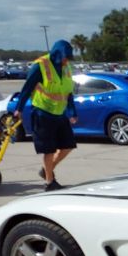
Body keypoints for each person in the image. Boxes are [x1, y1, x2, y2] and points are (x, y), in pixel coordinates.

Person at [14, 40, 78, 191]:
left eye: (68, 58)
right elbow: (27, 87)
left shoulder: (66, 67)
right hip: (42, 112)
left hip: (59, 113)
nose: (66, 60)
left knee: (68, 146)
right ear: (57, 54)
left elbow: (68, 92)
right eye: (65, 57)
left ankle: (46, 170)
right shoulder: (40, 66)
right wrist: (19, 108)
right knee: (48, 149)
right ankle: (49, 182)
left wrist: (72, 112)